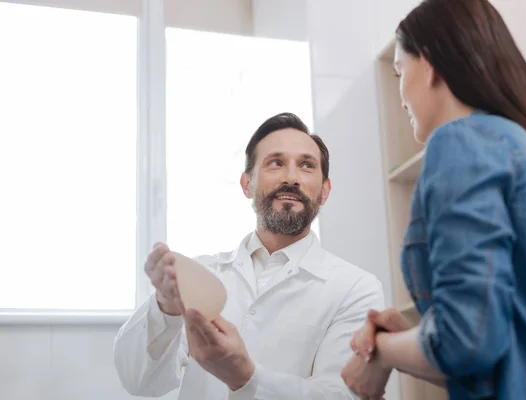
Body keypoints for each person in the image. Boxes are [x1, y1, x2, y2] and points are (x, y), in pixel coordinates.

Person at [341, 0, 526, 399]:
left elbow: (468, 340)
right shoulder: (516, 143)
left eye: (399, 71)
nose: (400, 94)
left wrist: (381, 352)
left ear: (427, 65)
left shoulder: (460, 141)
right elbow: (500, 358)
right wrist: (416, 338)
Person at [114, 112, 385, 400]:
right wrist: (165, 308)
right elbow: (138, 381)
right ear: (247, 184)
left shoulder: (356, 290)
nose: (291, 178)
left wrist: (245, 377)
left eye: (307, 165)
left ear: (325, 191)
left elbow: (342, 395)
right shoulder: (202, 275)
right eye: (275, 163)